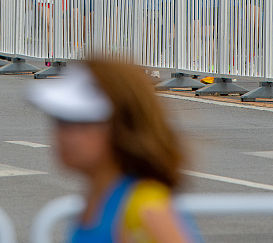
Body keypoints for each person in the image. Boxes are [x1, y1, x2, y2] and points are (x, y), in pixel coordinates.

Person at [28, 60, 194, 243]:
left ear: (120, 128)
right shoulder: (96, 197)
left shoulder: (145, 206)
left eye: (80, 121)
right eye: (58, 120)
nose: (62, 136)